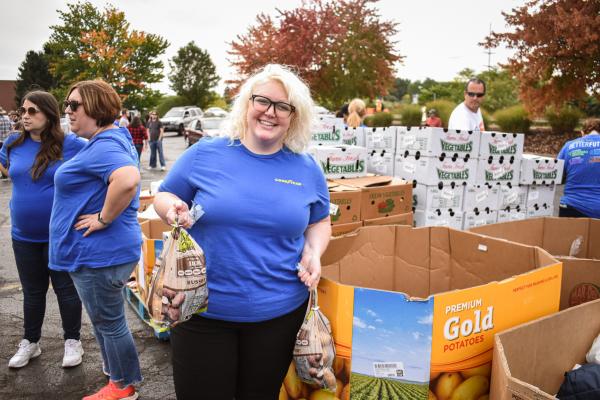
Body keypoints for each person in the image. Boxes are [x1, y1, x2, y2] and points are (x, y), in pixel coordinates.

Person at [153, 64, 331, 400]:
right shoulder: (205, 153)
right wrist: (171, 209)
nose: (270, 112)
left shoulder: (306, 168)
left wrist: (314, 252)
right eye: (262, 101)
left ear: (295, 117)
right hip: (201, 312)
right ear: (247, 105)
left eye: (283, 106)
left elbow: (320, 222)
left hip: (278, 316)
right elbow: (164, 194)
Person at [50, 79, 142, 400]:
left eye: (75, 105)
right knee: (107, 321)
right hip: (101, 254)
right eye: (67, 105)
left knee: (110, 322)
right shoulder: (108, 139)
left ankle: (123, 386)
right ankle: (116, 374)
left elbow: (127, 179)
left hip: (100, 255)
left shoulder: (105, 144)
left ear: (97, 108)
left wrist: (103, 218)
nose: (68, 111)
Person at [0, 91, 85, 370]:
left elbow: (106, 165)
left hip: (59, 233)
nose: (25, 115)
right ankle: (31, 342)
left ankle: (73, 340)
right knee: (32, 291)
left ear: (48, 114)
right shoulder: (13, 142)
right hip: (22, 234)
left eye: (33, 110)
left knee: (65, 290)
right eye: (23, 110)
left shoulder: (70, 144)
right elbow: (7, 169)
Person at [557, 118, 600, 218]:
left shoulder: (569, 146)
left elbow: (557, 176)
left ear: (582, 133)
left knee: (570, 234)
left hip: (571, 207)